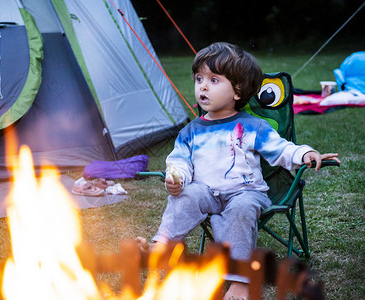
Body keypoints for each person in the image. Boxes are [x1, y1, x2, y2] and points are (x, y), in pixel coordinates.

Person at [136, 42, 340, 300]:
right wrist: (177, 178)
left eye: (213, 79)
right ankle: (162, 245)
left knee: (242, 209)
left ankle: (241, 282)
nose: (203, 86)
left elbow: (281, 149)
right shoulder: (190, 131)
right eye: (199, 79)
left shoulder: (252, 126)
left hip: (245, 192)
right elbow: (180, 161)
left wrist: (305, 154)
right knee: (185, 196)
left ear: (238, 90)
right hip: (206, 192)